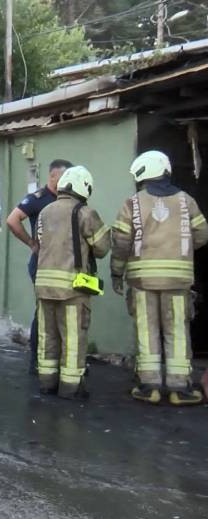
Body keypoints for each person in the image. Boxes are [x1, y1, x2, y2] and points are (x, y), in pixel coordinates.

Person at [110, 150, 208, 406]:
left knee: (147, 330)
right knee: (177, 331)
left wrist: (116, 273)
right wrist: (181, 251)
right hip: (178, 281)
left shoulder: (132, 203)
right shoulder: (187, 200)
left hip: (142, 282)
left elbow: (121, 242)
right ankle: (179, 389)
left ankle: (149, 387)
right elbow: (202, 234)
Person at [34, 166, 110, 399]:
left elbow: (40, 241)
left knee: (47, 337)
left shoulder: (45, 211)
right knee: (73, 337)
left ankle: (47, 383)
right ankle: (70, 388)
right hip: (72, 287)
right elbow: (102, 248)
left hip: (44, 286)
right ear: (83, 187)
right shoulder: (85, 213)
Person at [6, 159, 72, 374]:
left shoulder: (71, 198)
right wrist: (31, 243)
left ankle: (64, 362)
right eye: (64, 176)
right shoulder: (39, 199)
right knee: (44, 312)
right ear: (52, 176)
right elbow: (13, 220)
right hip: (42, 265)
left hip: (65, 265)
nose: (68, 181)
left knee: (65, 313)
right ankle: (37, 361)